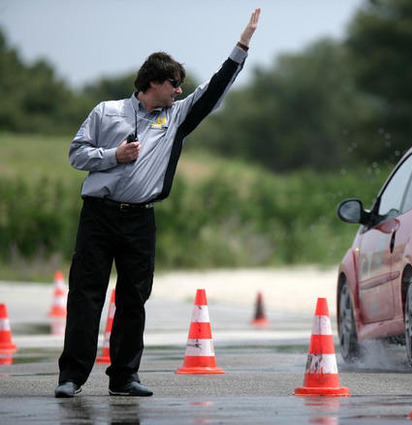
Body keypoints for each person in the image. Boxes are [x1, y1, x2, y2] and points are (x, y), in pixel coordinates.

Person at [54, 8, 261, 398]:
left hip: (140, 221)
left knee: (134, 298)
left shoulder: (178, 116)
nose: (180, 90)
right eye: (174, 83)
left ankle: (124, 378)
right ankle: (71, 377)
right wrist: (114, 155)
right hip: (98, 217)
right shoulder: (105, 111)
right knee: (86, 296)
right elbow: (75, 155)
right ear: (153, 81)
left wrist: (242, 45)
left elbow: (216, 88)